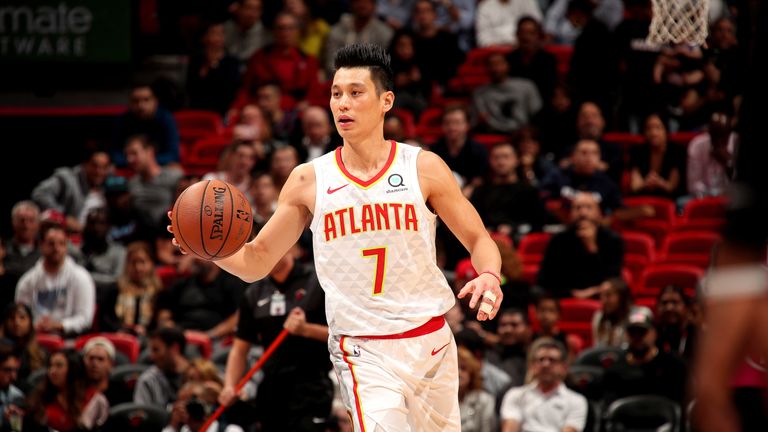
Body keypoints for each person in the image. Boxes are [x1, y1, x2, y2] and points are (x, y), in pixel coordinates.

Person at [170, 43, 504, 431]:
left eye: (355, 92)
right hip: (361, 348)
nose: (342, 103)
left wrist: (489, 275)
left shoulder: (423, 167)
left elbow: (479, 239)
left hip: (431, 340)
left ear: (386, 101)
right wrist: (209, 250)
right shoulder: (308, 180)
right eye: (335, 93)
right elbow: (257, 260)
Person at [218, 249, 332, 431]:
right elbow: (240, 349)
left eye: (266, 249)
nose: (262, 257)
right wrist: (229, 385)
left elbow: (340, 334)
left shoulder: (317, 280)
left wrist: (306, 329)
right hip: (272, 388)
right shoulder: (254, 293)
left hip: (311, 383)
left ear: (287, 246)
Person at [537, 192, 624, 298]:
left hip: (600, 297)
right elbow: (545, 279)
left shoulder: (612, 240)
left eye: (589, 207)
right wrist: (572, 293)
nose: (583, 213)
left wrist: (592, 248)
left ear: (599, 213)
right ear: (570, 214)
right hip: (564, 296)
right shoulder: (558, 240)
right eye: (577, 208)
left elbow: (613, 280)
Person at [15, 224, 95, 335]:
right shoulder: (27, 281)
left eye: (61, 243)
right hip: (34, 338)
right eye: (51, 244)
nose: (56, 248)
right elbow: (19, 317)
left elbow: (85, 319)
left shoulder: (81, 277)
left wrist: (60, 325)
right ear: (41, 245)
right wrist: (34, 325)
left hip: (70, 340)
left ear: (66, 246)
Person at [499, 338, 588, 432]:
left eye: (552, 360)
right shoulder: (515, 395)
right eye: (541, 360)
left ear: (564, 367)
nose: (545, 364)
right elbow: (510, 428)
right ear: (531, 366)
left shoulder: (576, 401)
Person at [604, 311, 687, 405]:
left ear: (654, 333)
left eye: (642, 332)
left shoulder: (673, 366)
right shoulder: (616, 368)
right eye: (632, 332)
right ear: (626, 334)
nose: (637, 337)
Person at [469, 142, 548, 237]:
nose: (501, 162)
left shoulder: (528, 191)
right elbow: (473, 222)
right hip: (487, 240)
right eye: (496, 158)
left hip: (518, 241)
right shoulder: (480, 191)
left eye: (506, 157)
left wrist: (513, 228)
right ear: (490, 161)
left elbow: (538, 223)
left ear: (516, 160)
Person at [155, 259, 246, 339]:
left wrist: (209, 336)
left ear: (214, 259)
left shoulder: (230, 283)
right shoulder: (182, 284)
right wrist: (171, 330)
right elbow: (164, 314)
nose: (195, 259)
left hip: (214, 338)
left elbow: (237, 317)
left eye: (200, 256)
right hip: (181, 337)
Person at [25, 349, 109, 432]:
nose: (52, 371)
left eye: (59, 366)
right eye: (50, 366)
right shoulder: (40, 397)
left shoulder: (95, 400)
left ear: (73, 369)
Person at [30, 150, 111, 234]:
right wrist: (63, 218)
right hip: (65, 237)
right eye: (95, 166)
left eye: (104, 167)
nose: (99, 172)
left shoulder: (108, 187)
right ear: (85, 164)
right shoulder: (67, 178)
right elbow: (40, 193)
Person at [125, 135, 184, 236]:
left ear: (149, 151)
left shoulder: (173, 176)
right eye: (127, 155)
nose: (130, 159)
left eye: (134, 153)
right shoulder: (131, 183)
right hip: (143, 236)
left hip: (171, 233)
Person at [99, 242, 162, 335]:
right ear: (126, 265)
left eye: (142, 262)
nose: (138, 267)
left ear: (151, 264)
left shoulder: (159, 292)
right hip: (119, 336)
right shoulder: (114, 289)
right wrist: (120, 330)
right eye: (133, 262)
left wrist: (147, 332)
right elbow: (105, 319)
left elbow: (160, 322)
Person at [472, 53, 542, 134]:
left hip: (522, 133)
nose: (496, 68)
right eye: (491, 65)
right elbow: (476, 121)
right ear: (486, 68)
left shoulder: (527, 86)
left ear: (508, 65)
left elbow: (537, 114)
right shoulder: (479, 93)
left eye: (499, 64)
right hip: (494, 132)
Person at [113, 84, 180, 166]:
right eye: (135, 101)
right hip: (130, 166)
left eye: (146, 100)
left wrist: (145, 160)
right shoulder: (123, 120)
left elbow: (173, 155)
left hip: (158, 168)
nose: (141, 106)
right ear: (129, 103)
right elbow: (115, 153)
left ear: (155, 101)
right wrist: (132, 160)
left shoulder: (166, 119)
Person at [430, 106, 490, 193]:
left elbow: (480, 179)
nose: (452, 127)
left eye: (457, 123)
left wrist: (470, 190)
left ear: (467, 125)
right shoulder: (433, 150)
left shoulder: (479, 150)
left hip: (471, 196)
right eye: (447, 123)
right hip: (439, 193)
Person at [186, 21, 242, 117]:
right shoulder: (196, 61)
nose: (218, 37)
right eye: (214, 33)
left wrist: (215, 67)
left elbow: (230, 90)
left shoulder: (231, 62)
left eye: (221, 33)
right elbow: (191, 88)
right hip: (198, 110)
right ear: (204, 37)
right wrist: (208, 65)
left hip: (222, 111)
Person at [324, 0, 393, 75]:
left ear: (374, 6)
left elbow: (385, 65)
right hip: (340, 78)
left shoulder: (385, 33)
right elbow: (331, 63)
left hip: (373, 80)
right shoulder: (337, 31)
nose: (362, 4)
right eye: (358, 1)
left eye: (367, 1)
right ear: (351, 5)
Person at [628, 113, 686, 197]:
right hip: (643, 196)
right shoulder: (637, 151)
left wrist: (659, 183)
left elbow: (672, 187)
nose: (653, 133)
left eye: (658, 128)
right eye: (649, 128)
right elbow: (635, 186)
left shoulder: (677, 151)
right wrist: (646, 183)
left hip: (670, 197)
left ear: (666, 130)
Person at [134, 327, 190, 407]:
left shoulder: (199, 377)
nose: (151, 357)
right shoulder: (147, 380)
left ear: (175, 348)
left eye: (156, 350)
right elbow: (142, 415)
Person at [506, 17, 559, 103]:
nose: (526, 37)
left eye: (531, 33)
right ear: (517, 35)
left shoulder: (548, 60)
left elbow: (551, 90)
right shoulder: (508, 60)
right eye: (522, 33)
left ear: (539, 36)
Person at [686, 110, 736, 198]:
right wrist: (714, 195)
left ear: (729, 134)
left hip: (731, 200)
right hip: (705, 199)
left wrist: (728, 163)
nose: (720, 141)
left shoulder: (737, 143)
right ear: (709, 133)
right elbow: (693, 185)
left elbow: (742, 185)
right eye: (716, 136)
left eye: (723, 136)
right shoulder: (697, 146)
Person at [591, 278, 651, 347]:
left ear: (622, 296)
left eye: (608, 295)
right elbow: (597, 348)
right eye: (601, 296)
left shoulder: (640, 314)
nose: (603, 301)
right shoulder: (599, 317)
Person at [80, 208, 126, 292]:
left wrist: (87, 276)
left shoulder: (119, 252)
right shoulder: (77, 251)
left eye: (101, 223)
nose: (96, 227)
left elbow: (118, 281)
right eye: (92, 223)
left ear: (109, 226)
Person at [0, 304, 46, 384]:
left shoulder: (40, 351)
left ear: (30, 322)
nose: (17, 323)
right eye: (12, 318)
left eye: (22, 318)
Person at [486, 309, 533, 387]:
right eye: (503, 325)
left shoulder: (536, 357)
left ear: (528, 329)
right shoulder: (489, 356)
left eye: (514, 325)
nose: (508, 330)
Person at [3, 202, 41, 296]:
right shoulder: (3, 251)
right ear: (13, 222)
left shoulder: (45, 253)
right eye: (22, 220)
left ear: (38, 224)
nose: (26, 226)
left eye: (31, 220)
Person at [457, 346, 496, 432]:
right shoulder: (439, 400)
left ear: (471, 373)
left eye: (463, 368)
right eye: (454, 368)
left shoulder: (484, 400)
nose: (458, 373)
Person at [655, 285, 697, 362]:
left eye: (675, 302)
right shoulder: (652, 334)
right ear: (657, 307)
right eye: (664, 303)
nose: (669, 308)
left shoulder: (697, 335)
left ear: (686, 307)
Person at [475, 0, 542, 47]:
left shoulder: (527, 1)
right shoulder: (485, 6)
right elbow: (482, 37)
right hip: (496, 51)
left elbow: (537, 24)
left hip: (523, 48)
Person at [81, 337, 122, 406]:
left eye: (100, 359)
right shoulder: (76, 391)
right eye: (91, 358)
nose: (94, 364)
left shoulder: (121, 392)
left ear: (111, 364)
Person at [0, 344, 23, 430]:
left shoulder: (17, 396)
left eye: (15, 370)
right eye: (7, 370)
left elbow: (16, 430)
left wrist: (12, 423)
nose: (14, 377)